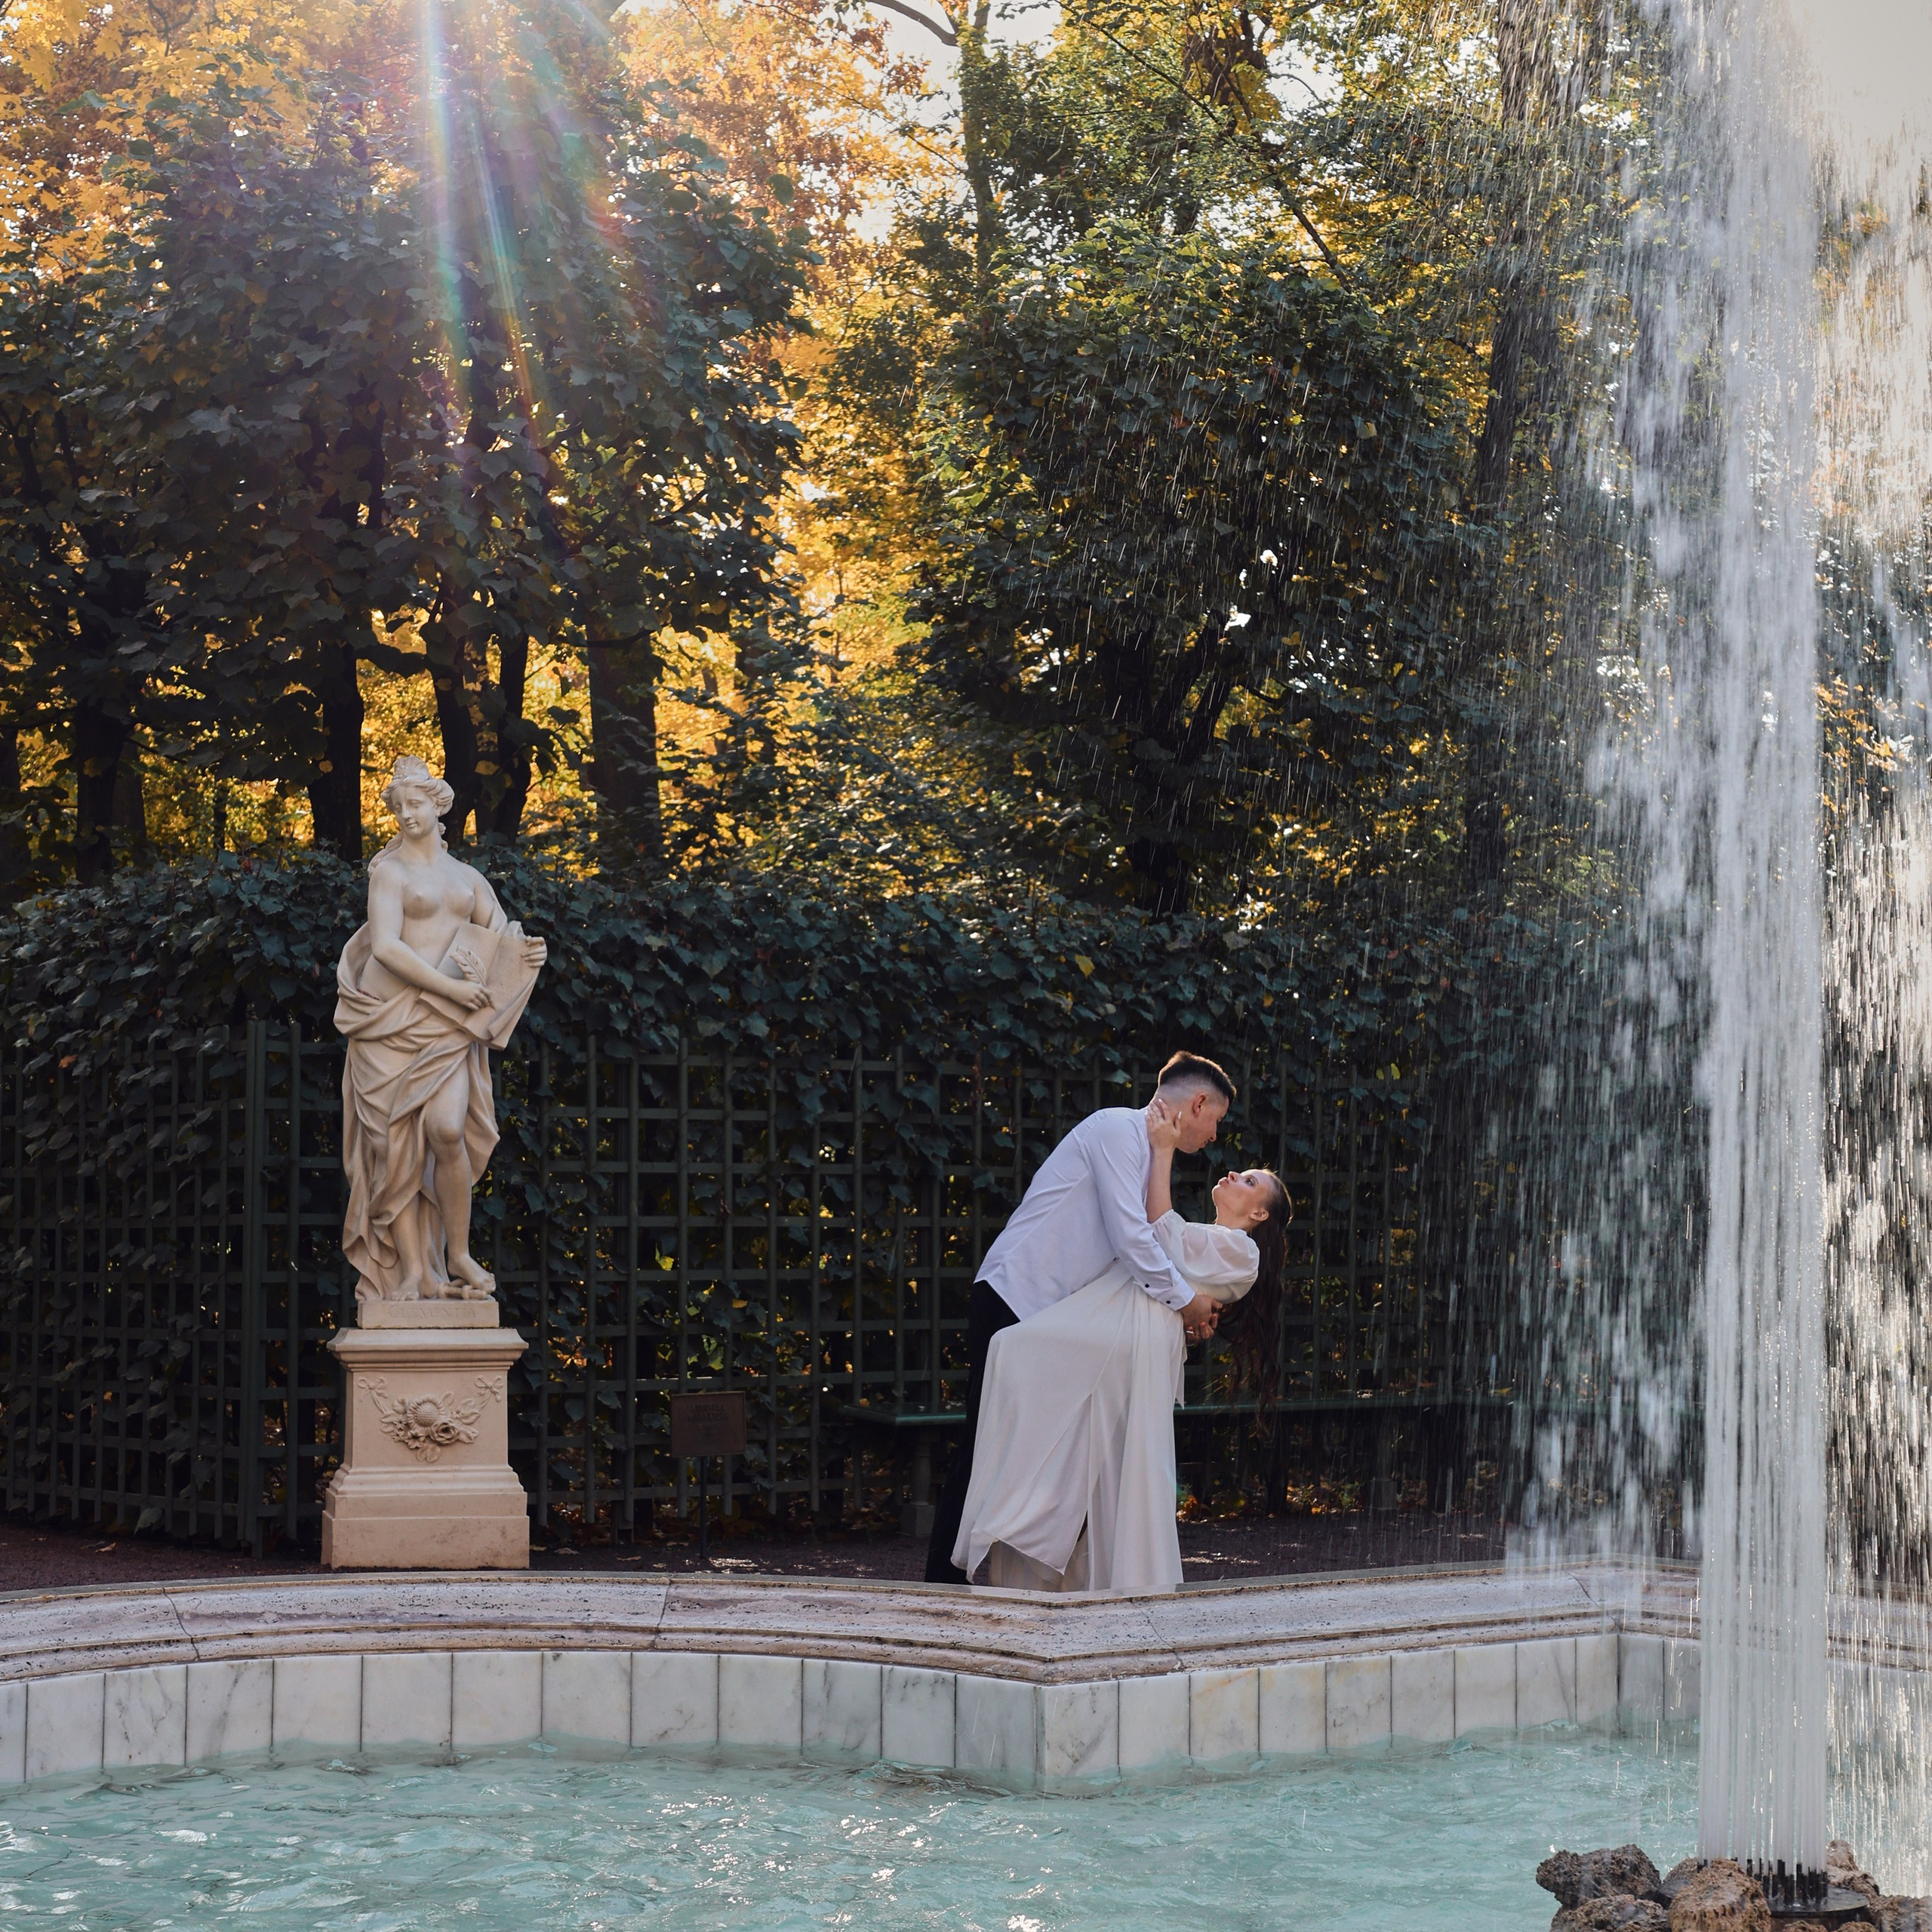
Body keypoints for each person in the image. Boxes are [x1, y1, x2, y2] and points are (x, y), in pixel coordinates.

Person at [922, 1051, 1236, 1584]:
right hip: (1014, 1299)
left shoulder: (1149, 1154)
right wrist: (1185, 1303)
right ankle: (943, 1588)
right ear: (1199, 1102)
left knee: (1065, 1444)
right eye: (1217, 1121)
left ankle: (1045, 1580)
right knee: (986, 1443)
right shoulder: (1116, 1130)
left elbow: (1146, 1249)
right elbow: (1131, 1240)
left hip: (1056, 1324)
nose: (1213, 1136)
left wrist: (1187, 1306)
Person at [335, 756, 546, 1307]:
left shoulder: (468, 879)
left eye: (416, 804)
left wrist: (527, 954)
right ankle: (411, 1274)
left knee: (447, 1129)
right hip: (389, 1018)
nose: (407, 815)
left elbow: (500, 942)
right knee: (394, 1146)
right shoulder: (391, 873)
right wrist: (450, 989)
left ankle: (456, 1254)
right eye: (398, 807)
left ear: (439, 805)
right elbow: (385, 946)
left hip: (447, 1028)